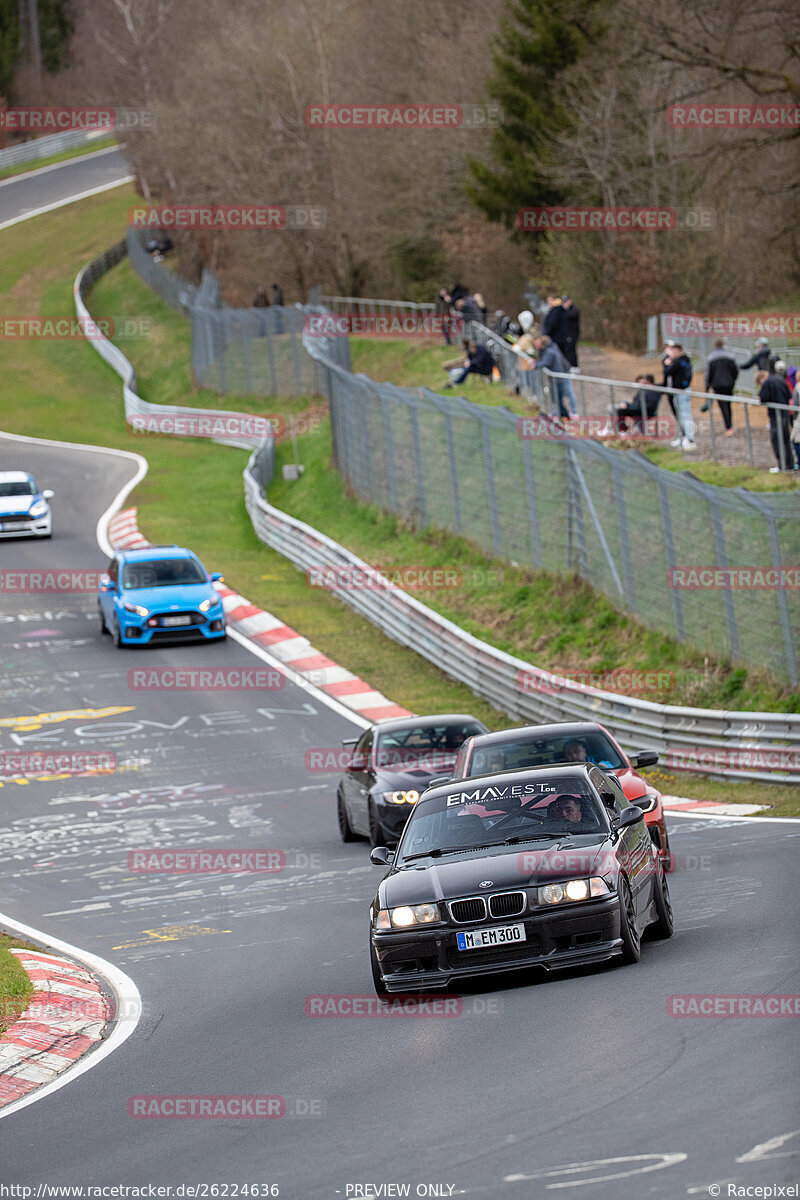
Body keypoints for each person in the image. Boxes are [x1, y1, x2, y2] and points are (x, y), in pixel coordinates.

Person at [533, 335, 578, 420]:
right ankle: (560, 413)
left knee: (568, 391)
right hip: (559, 374)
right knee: (558, 396)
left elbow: (545, 362)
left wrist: (535, 364)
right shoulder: (547, 349)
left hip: (562, 373)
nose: (536, 345)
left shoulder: (551, 350)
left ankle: (573, 412)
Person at [760, 360, 794, 472]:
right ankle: (789, 465)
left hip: (775, 415)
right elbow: (789, 395)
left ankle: (782, 466)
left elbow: (763, 398)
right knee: (786, 440)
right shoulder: (782, 381)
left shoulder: (768, 381)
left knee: (777, 440)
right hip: (785, 414)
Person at [663, 343, 696, 451]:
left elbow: (668, 371)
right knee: (681, 416)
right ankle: (683, 436)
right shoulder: (682, 360)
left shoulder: (681, 361)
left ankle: (689, 439)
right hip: (678, 391)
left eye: (673, 351)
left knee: (685, 415)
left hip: (682, 391)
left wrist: (667, 364)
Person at [703, 339, 739, 435]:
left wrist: (707, 386)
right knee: (728, 404)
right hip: (729, 384)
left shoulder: (711, 358)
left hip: (717, 385)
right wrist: (732, 380)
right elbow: (735, 371)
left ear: (715, 346)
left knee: (723, 405)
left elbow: (708, 374)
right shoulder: (730, 357)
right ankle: (729, 425)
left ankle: (728, 426)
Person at [562, 296, 580, 368]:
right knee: (568, 350)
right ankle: (570, 365)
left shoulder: (574, 310)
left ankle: (574, 365)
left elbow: (571, 316)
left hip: (573, 333)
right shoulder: (566, 310)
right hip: (567, 333)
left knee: (571, 349)